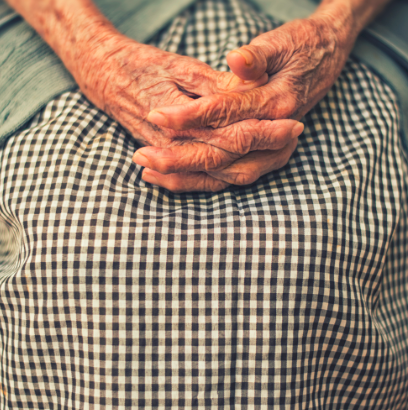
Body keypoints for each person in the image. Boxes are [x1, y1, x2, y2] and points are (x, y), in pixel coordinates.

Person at [0, 0, 407, 408]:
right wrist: (95, 52)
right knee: (74, 251)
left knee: (303, 260)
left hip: (333, 19)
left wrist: (335, 28)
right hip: (69, 22)